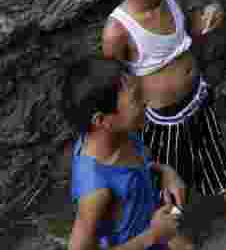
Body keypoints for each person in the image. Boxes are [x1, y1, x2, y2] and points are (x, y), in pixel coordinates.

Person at [99, 0, 226, 223]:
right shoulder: (119, 31)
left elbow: (187, 29)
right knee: (170, 171)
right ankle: (173, 234)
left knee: (213, 150)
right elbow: (115, 79)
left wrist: (208, 18)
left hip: (197, 96)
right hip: (162, 117)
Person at [62, 57, 192, 250]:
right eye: (137, 98)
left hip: (154, 226)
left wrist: (167, 172)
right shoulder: (95, 191)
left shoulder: (121, 134)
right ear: (102, 120)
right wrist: (153, 236)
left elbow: (136, 170)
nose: (147, 100)